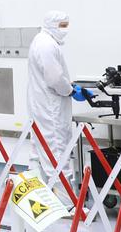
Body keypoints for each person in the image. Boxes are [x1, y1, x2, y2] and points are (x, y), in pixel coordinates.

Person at [27, 11, 91, 189]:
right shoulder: (47, 45)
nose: (65, 30)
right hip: (50, 111)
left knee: (38, 155)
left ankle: (40, 202)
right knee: (58, 155)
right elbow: (55, 79)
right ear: (51, 24)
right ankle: (67, 206)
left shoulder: (40, 41)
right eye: (62, 26)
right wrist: (70, 90)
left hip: (42, 108)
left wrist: (70, 86)